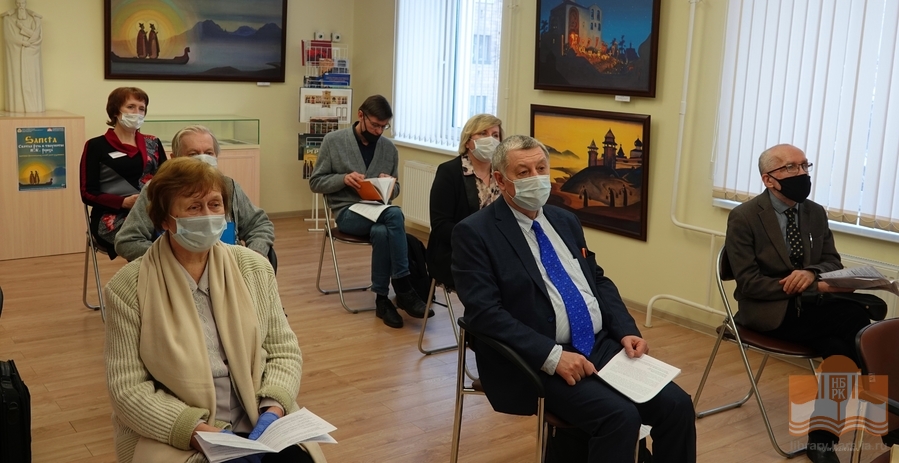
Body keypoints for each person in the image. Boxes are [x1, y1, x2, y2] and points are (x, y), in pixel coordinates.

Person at [452, 135, 696, 462]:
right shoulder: (475, 233)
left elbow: (597, 280)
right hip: (538, 357)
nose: (536, 177)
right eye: (523, 172)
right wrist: (552, 356)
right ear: (500, 179)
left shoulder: (564, 220)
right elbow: (484, 313)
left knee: (678, 406)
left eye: (541, 168)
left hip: (600, 344)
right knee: (620, 418)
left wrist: (626, 329)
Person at [104, 157, 325, 463]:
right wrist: (197, 431)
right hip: (181, 432)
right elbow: (128, 389)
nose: (207, 216)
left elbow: (283, 350)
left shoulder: (254, 268)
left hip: (258, 416)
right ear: (165, 219)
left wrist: (273, 409)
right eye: (194, 207)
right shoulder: (128, 287)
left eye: (214, 204)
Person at [725, 143, 872, 463]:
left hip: (813, 309)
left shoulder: (814, 212)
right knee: (856, 318)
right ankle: (884, 396)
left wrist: (810, 273)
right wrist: (806, 285)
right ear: (769, 179)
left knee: (841, 349)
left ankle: (821, 441)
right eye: (791, 167)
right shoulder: (744, 217)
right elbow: (749, 283)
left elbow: (831, 261)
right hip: (768, 310)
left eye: (805, 165)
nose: (802, 173)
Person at [309, 94, 430, 329]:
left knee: (383, 231)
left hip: (378, 211)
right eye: (375, 125)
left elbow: (396, 189)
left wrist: (389, 185)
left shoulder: (389, 149)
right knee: (395, 214)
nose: (379, 131)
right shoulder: (333, 141)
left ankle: (382, 301)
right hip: (347, 212)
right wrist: (343, 179)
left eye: (384, 126)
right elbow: (315, 182)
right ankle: (403, 287)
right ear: (360, 116)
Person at [115, 125, 274, 263]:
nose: (203, 159)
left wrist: (253, 256)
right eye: (193, 154)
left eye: (209, 153)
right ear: (175, 158)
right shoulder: (157, 189)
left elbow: (259, 224)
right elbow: (127, 241)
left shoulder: (228, 186)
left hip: (229, 267)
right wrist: (168, 260)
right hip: (174, 273)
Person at [79, 87, 167, 259]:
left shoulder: (153, 143)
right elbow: (87, 193)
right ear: (115, 111)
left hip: (151, 211)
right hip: (112, 217)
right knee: (156, 243)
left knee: (180, 232)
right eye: (131, 107)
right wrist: (123, 202)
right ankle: (148, 273)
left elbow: (167, 180)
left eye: (141, 108)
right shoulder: (96, 146)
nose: (137, 113)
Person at [426, 114, 503, 289]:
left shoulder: (502, 174)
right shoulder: (449, 172)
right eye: (483, 133)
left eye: (495, 135)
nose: (490, 139)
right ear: (468, 141)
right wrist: (477, 241)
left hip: (496, 250)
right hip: (458, 251)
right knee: (496, 278)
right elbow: (440, 225)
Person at [2, 0, 44, 112]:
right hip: (15, 53)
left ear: (26, 3)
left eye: (23, 3)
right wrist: (21, 42)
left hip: (31, 55)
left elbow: (36, 36)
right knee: (16, 79)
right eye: (18, 3)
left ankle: (33, 106)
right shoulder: (8, 19)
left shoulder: (34, 19)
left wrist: (22, 29)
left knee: (31, 79)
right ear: (15, 4)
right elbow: (8, 37)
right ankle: (18, 106)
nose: (21, 6)